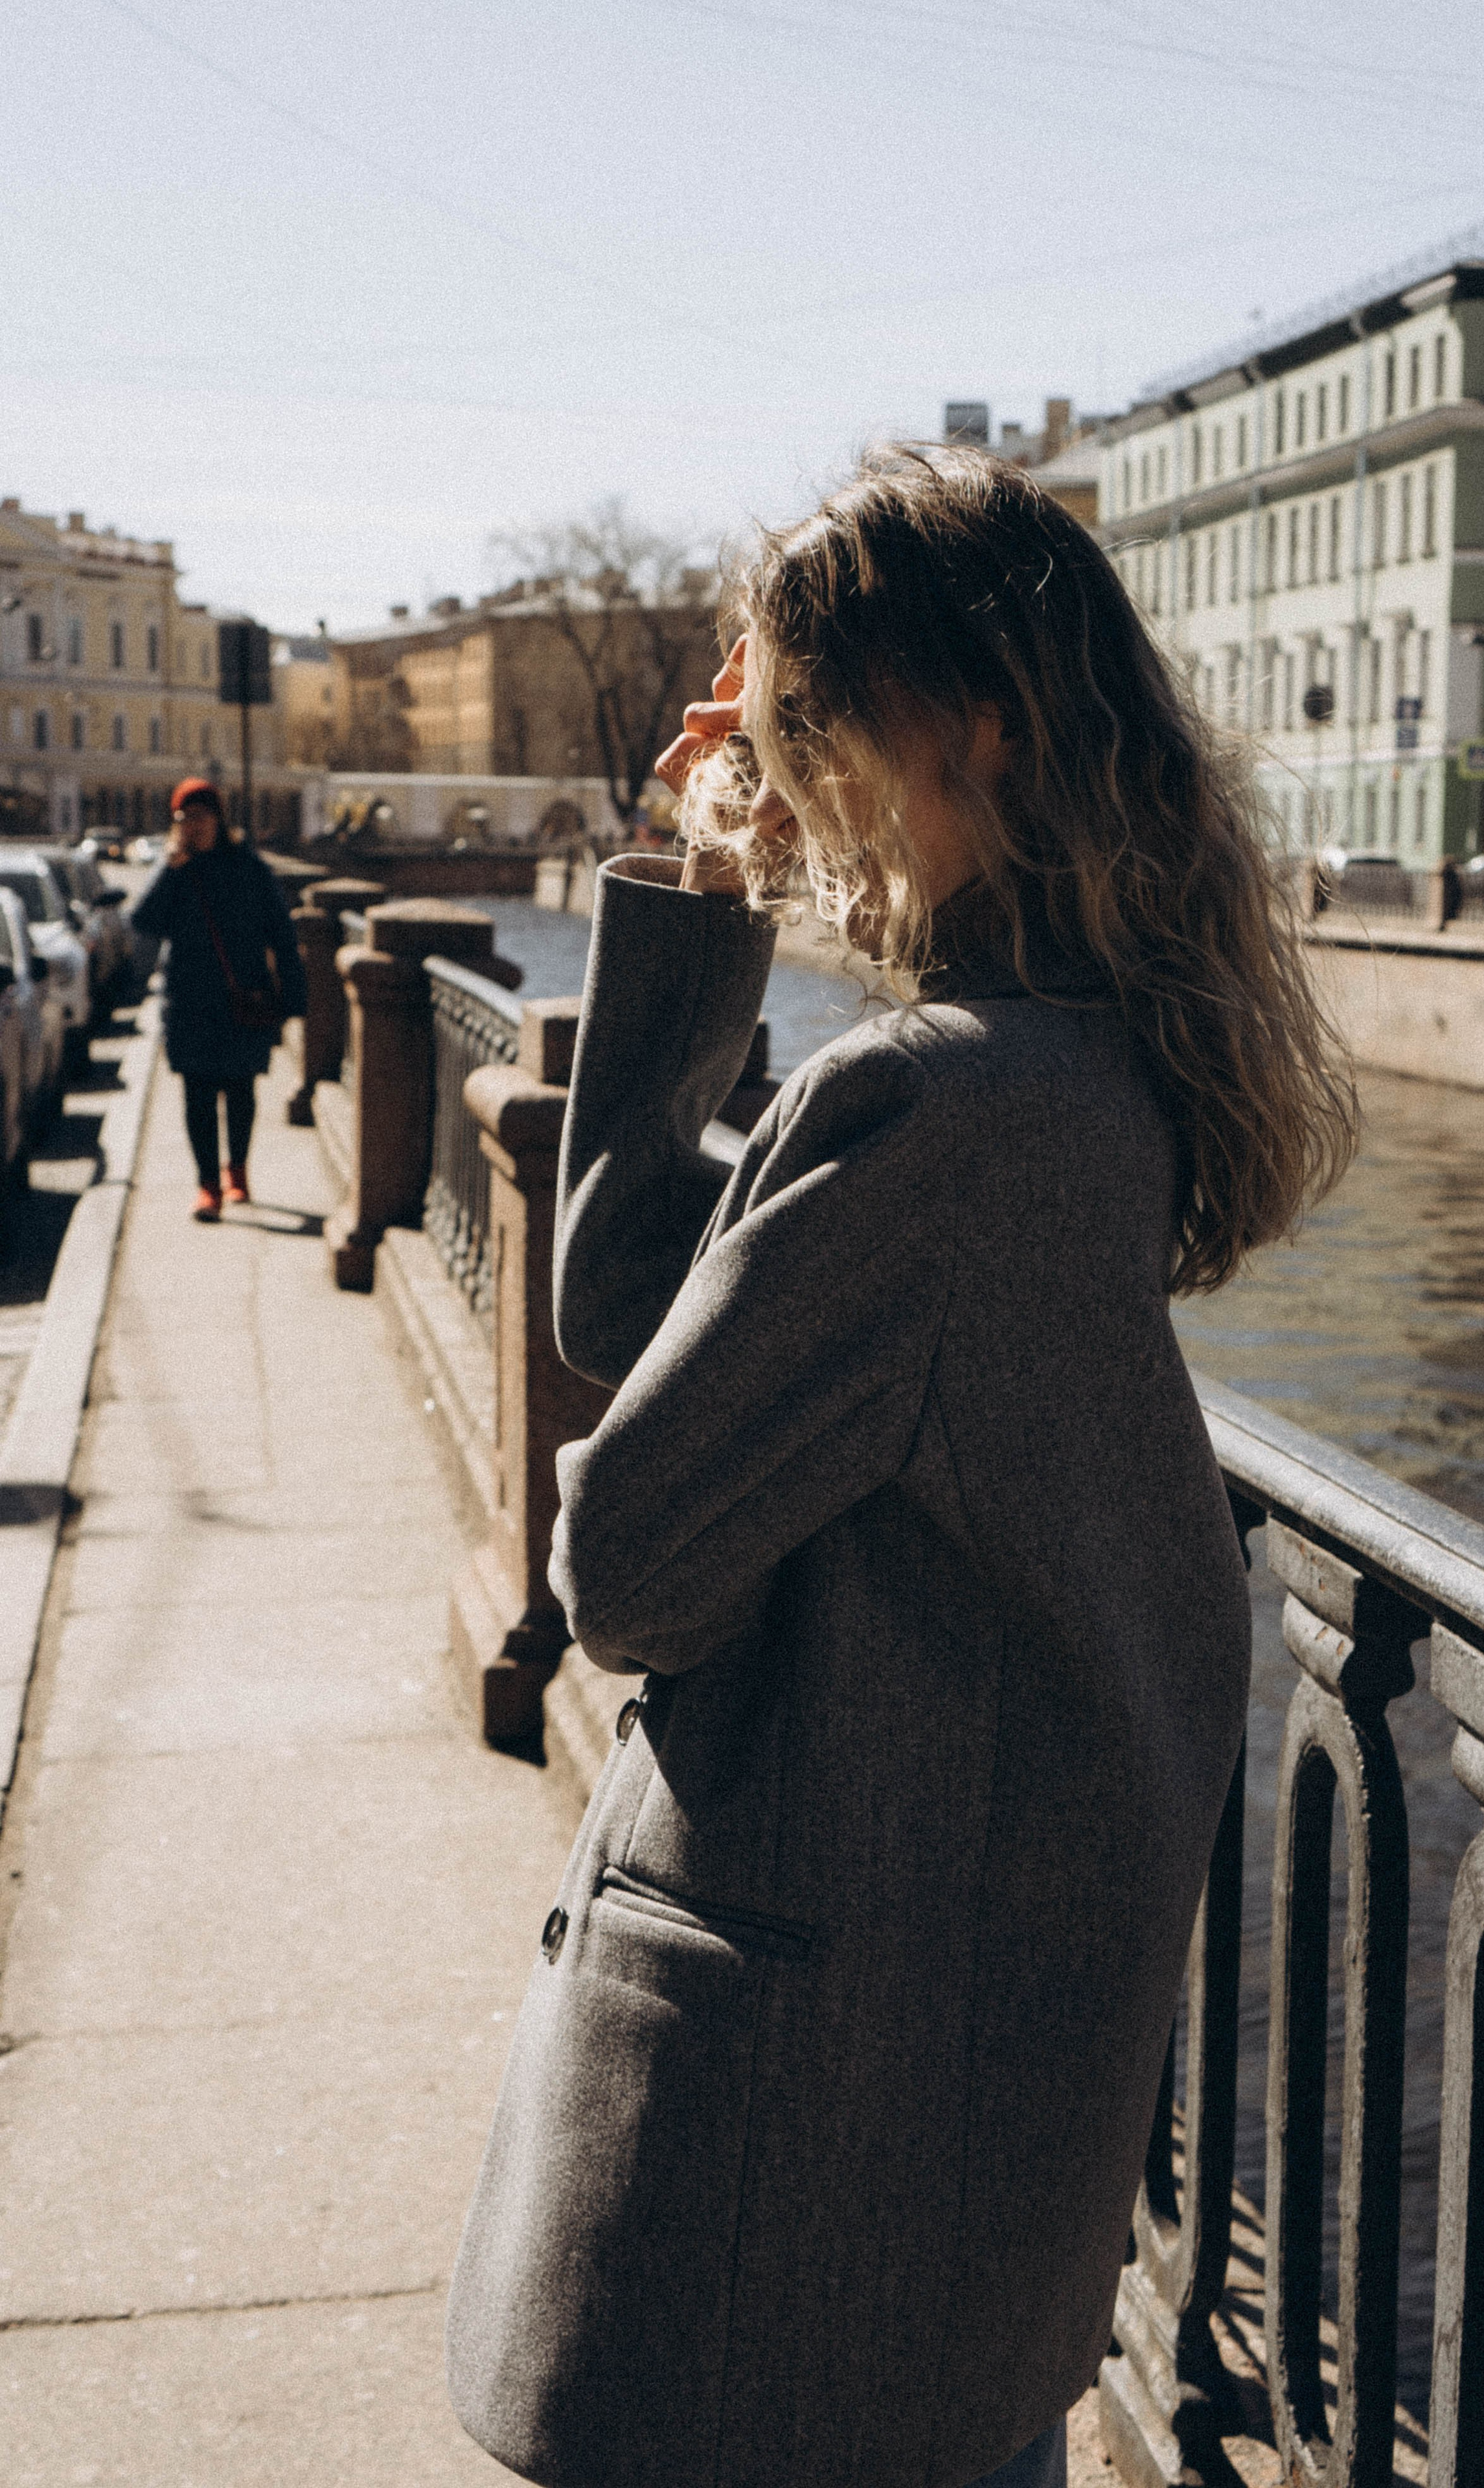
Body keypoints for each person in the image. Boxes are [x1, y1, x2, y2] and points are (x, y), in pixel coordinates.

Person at [446, 446, 1356, 2488]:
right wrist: (695, 869)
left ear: (975, 724)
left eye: (805, 721)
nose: (784, 766)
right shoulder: (1079, 1057)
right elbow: (629, 1304)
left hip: (801, 2146)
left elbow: (631, 1559)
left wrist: (726, 1539)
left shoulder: (929, 1108)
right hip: (938, 2128)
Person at [130, 778, 306, 1221]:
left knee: (241, 1090)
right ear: (177, 825)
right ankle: (208, 1186)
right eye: (187, 818)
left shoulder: (249, 867)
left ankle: (238, 1171)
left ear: (219, 819)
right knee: (197, 1095)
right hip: (188, 1002)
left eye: (204, 816)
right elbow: (144, 922)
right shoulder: (176, 869)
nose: (196, 825)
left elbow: (283, 935)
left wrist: (294, 998)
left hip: (242, 998)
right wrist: (170, 871)